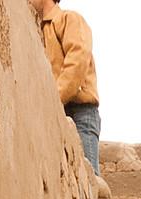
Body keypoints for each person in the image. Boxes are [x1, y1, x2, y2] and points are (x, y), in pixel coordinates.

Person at [30, 0, 101, 174]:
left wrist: (53, 100)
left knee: (89, 180)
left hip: (80, 112)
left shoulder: (68, 19)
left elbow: (77, 61)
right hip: (56, 113)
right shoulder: (37, 32)